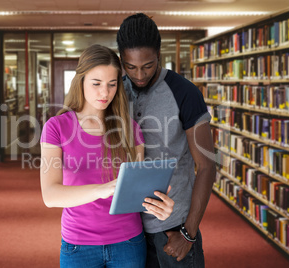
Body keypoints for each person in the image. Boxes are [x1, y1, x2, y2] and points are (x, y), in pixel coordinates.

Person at [40, 44, 174, 268]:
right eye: (96, 84)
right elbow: (51, 195)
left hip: (128, 242)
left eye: (112, 84)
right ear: (80, 80)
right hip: (77, 245)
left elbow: (137, 193)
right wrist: (102, 189)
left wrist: (159, 207)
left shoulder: (130, 129)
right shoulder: (57, 127)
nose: (105, 93)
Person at [116, 13, 216, 267]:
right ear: (121, 60)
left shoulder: (185, 92)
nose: (139, 74)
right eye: (131, 66)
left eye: (148, 65)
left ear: (159, 55)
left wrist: (189, 233)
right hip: (127, 228)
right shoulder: (115, 91)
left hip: (174, 227)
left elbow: (207, 166)